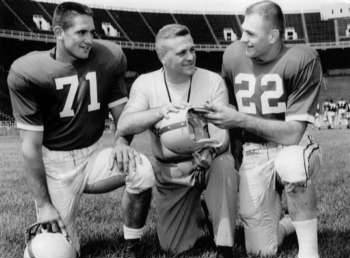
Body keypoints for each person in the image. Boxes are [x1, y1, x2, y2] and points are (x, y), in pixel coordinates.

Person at [7, 2, 154, 258]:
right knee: (57, 253)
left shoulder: (108, 57)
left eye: (92, 32)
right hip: (55, 166)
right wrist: (43, 205)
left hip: (92, 156)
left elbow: (124, 116)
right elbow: (30, 148)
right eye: (81, 33)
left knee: (142, 170)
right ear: (58, 32)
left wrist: (121, 142)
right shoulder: (28, 72)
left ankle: (133, 245)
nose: (89, 40)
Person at [203, 1, 322, 258]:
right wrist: (233, 150)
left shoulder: (302, 59)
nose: (242, 39)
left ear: (273, 35)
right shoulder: (233, 56)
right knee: (260, 250)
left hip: (293, 144)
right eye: (243, 31)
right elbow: (229, 108)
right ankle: (290, 222)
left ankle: (309, 251)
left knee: (293, 164)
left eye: (251, 34)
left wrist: (240, 120)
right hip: (254, 150)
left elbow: (293, 133)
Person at [117, 24, 238, 258]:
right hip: (172, 170)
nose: (191, 56)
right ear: (163, 57)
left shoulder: (212, 81)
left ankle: (225, 246)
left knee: (224, 166)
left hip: (209, 161)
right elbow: (124, 124)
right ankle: (199, 213)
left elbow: (222, 135)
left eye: (192, 49)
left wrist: (209, 153)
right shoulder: (145, 83)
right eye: (182, 53)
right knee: (172, 247)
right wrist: (160, 111)